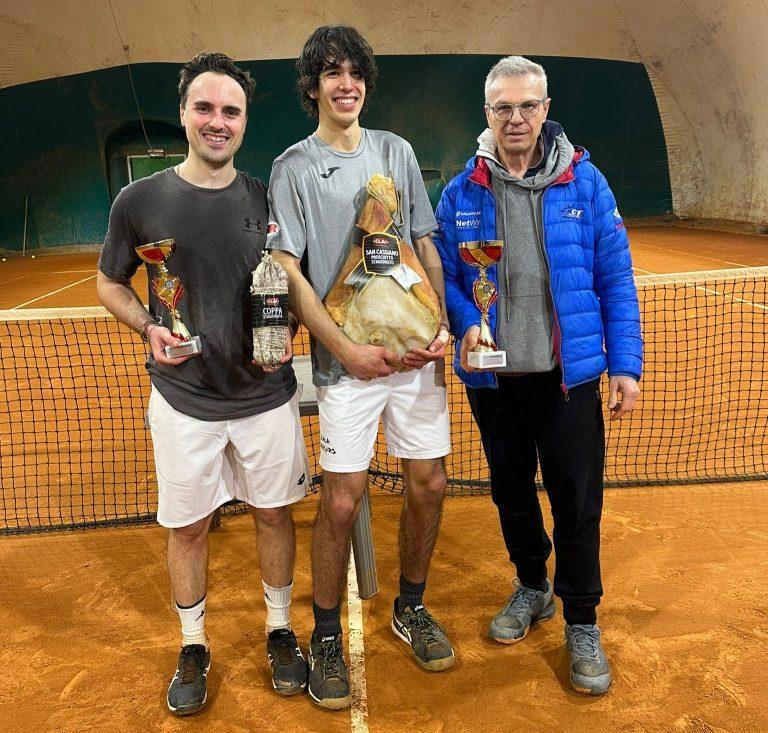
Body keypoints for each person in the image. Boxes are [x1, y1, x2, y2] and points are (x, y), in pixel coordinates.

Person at [96, 53, 310, 716]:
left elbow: (290, 282)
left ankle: (279, 628)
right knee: (188, 524)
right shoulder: (140, 200)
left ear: (244, 121)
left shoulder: (267, 197)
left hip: (264, 399)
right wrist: (144, 325)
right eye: (205, 108)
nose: (218, 122)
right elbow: (110, 280)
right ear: (185, 113)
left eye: (231, 112)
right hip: (182, 398)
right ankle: (193, 644)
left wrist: (290, 335)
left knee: (275, 513)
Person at [433, 55, 642, 696]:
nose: (516, 118)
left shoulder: (586, 184)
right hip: (496, 382)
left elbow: (615, 277)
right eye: (503, 108)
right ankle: (533, 586)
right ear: (487, 114)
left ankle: (582, 618)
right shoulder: (463, 189)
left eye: (527, 106)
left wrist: (625, 364)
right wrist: (468, 319)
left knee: (578, 503)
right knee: (512, 493)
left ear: (545, 110)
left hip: (568, 377)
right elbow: (443, 272)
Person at [268, 26, 454, 710]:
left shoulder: (396, 152)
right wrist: (342, 351)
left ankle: (410, 605)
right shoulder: (292, 167)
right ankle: (323, 635)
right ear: (312, 85)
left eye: (355, 72)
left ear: (366, 82)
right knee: (341, 499)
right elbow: (288, 271)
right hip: (347, 366)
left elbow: (422, 245)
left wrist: (438, 323)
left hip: (414, 359)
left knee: (429, 485)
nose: (345, 82)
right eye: (330, 72)